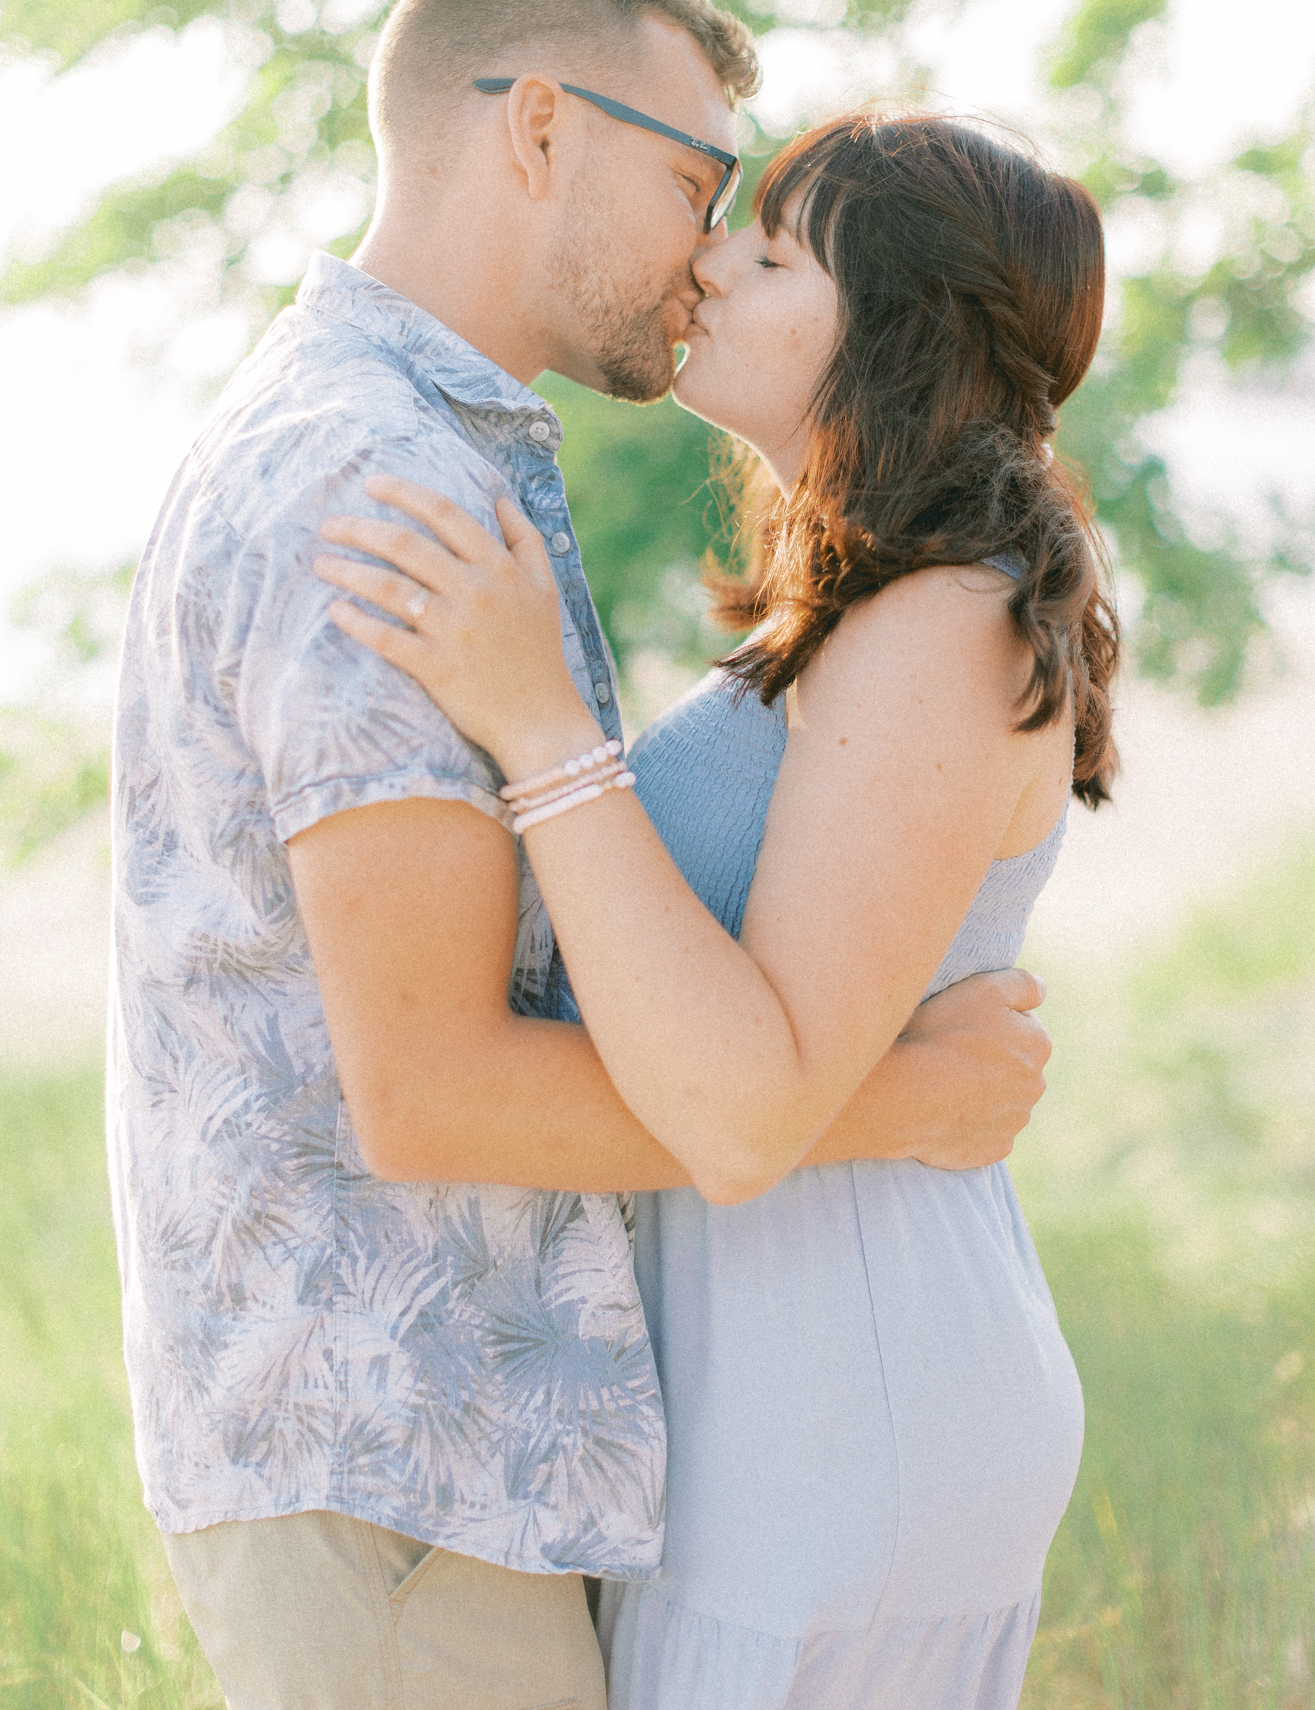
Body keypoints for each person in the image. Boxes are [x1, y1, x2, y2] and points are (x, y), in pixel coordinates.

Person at [108, 0, 1052, 1710]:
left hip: (448, 1463)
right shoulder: (376, 480)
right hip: (395, 1458)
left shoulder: (419, 450)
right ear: (538, 128)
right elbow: (432, 1086)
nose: (708, 247)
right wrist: (900, 1099)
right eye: (697, 176)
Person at [315, 109, 1118, 1710]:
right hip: (777, 1384)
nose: (708, 261)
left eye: (773, 249)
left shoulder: (945, 620)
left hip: (838, 1402)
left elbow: (746, 1110)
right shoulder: (868, 611)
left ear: (895, 324)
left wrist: (539, 724)